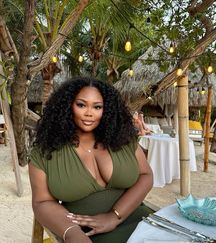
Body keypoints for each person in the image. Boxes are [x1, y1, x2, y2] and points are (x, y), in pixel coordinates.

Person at [29, 76, 153, 243]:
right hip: (85, 233)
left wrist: (114, 216)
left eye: (97, 107)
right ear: (67, 107)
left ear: (106, 109)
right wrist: (72, 233)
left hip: (139, 220)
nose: (89, 113)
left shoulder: (123, 138)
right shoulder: (45, 151)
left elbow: (146, 175)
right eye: (81, 105)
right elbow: (42, 202)